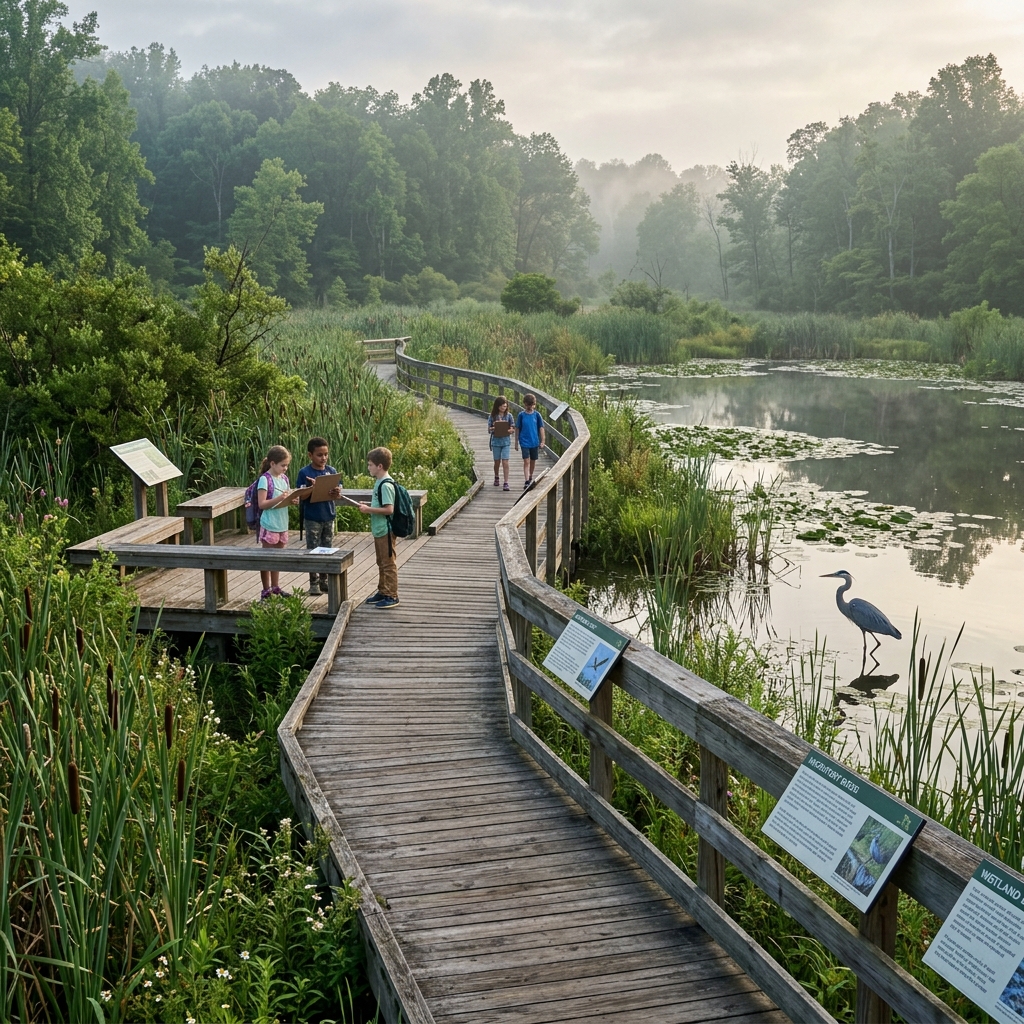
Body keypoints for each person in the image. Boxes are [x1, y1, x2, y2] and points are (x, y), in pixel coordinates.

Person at [296, 436, 339, 596]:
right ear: (310, 455)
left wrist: (337, 492)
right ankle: (313, 583)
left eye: (326, 454)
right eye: (319, 455)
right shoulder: (304, 473)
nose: (323, 458)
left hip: (329, 515)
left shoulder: (331, 471)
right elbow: (301, 496)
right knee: (313, 550)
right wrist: (313, 487)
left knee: (327, 549)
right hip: (312, 517)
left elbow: (335, 495)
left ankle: (324, 580)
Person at [256, 445, 300, 600]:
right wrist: (280, 498)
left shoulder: (284, 479)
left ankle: (276, 587)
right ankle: (265, 590)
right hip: (269, 523)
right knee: (267, 558)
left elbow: (285, 499)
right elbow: (262, 504)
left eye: (287, 465)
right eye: (283, 465)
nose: (285, 468)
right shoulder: (264, 480)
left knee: (278, 557)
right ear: (272, 463)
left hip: (282, 522)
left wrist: (292, 500)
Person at [358, 447, 399, 609]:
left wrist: (368, 510)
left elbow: (389, 509)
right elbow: (380, 504)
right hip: (379, 529)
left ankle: (392, 595)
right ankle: (383, 590)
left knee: (388, 563)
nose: (368, 468)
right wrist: (368, 506)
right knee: (381, 562)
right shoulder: (379, 482)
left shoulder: (386, 485)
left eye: (370, 465)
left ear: (379, 466)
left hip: (386, 529)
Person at [515, 393, 545, 488]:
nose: (530, 407)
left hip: (534, 441)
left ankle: (531, 476)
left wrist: (543, 440)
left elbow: (541, 428)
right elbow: (517, 428)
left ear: (534, 404)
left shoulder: (537, 415)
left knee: (533, 460)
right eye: (528, 405)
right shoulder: (521, 415)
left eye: (532, 405)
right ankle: (527, 480)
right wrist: (516, 442)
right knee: (526, 461)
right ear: (524, 404)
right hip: (524, 441)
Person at [488, 396, 515, 491]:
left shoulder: (509, 416)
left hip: (506, 441)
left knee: (505, 461)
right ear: (498, 406)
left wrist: (510, 430)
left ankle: (506, 482)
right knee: (497, 462)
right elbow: (489, 428)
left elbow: (512, 428)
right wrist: (495, 427)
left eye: (505, 406)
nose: (504, 408)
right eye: (502, 406)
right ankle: (496, 476)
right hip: (496, 442)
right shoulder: (492, 416)